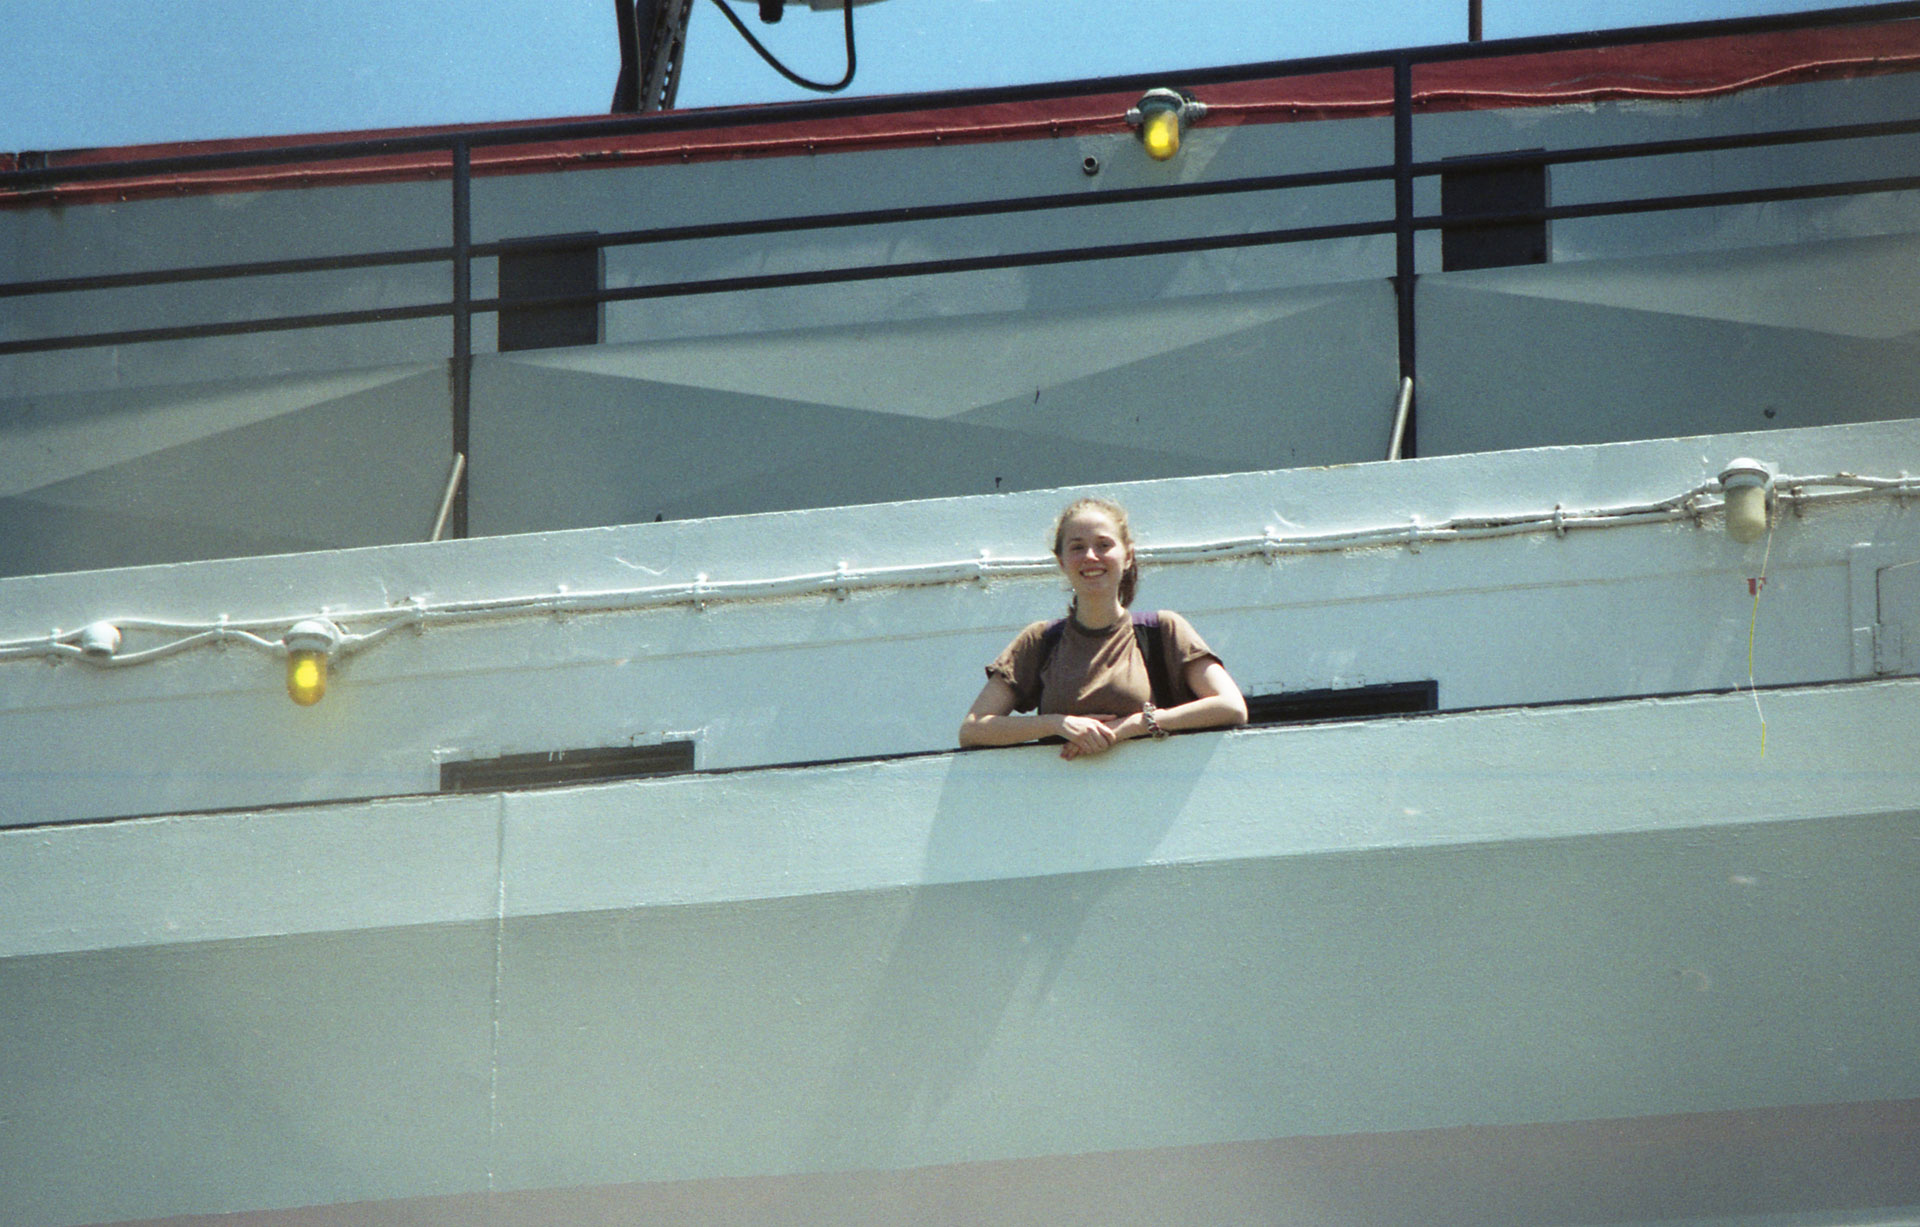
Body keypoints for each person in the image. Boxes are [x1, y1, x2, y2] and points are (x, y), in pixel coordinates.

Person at [959, 497, 1248, 759]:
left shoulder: (1164, 630)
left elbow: (1231, 707)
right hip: (1056, 805)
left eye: (1103, 545)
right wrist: (1058, 724)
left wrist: (1132, 726)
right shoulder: (1039, 640)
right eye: (1077, 547)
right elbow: (973, 730)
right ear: (1061, 561)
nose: (1090, 556)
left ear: (1128, 556)